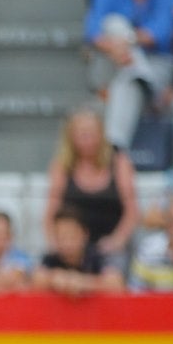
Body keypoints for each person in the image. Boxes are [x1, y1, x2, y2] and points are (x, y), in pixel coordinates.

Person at [42, 106, 139, 274]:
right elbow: (51, 212)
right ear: (71, 137)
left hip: (109, 244)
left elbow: (132, 211)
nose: (87, 139)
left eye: (91, 133)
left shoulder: (119, 161)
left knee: (114, 269)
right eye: (81, 134)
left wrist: (117, 240)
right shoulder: (62, 165)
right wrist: (55, 243)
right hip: (70, 245)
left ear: (101, 134)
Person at [85, 0, 173, 150]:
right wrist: (116, 49)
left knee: (127, 83)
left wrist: (128, 41)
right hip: (112, 63)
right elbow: (93, 32)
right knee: (114, 23)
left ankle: (115, 148)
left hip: (156, 65)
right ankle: (140, 77)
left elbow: (161, 33)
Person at [34, 205, 125, 296]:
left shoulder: (96, 257)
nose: (67, 243)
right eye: (62, 237)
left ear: (85, 234)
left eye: (72, 236)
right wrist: (54, 279)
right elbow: (37, 280)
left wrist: (84, 282)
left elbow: (116, 283)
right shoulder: (51, 259)